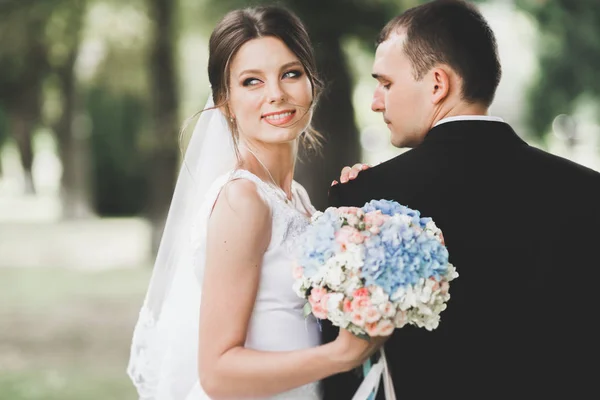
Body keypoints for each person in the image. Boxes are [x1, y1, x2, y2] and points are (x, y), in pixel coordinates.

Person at [326, 0, 600, 399]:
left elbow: (342, 369)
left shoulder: (362, 202)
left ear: (438, 84)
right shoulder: (588, 191)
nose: (375, 101)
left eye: (386, 83)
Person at [126, 6, 386, 400]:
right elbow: (218, 373)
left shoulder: (294, 198)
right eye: (252, 82)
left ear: (312, 81)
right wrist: (340, 356)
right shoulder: (242, 200)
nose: (276, 94)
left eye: (290, 73)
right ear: (225, 101)